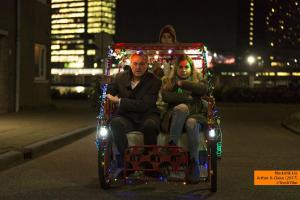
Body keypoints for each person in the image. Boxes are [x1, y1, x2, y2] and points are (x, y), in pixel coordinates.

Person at [107, 52, 162, 166]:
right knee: (115, 123)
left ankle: (149, 163)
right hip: (126, 117)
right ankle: (126, 162)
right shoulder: (120, 77)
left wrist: (119, 101)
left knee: (150, 125)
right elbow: (110, 90)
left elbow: (144, 105)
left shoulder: (154, 81)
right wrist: (107, 94)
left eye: (142, 64)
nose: (138, 67)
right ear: (131, 64)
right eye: (135, 64)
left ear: (147, 65)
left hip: (147, 115)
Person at [161, 55, 208, 183]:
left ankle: (194, 162)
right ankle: (172, 147)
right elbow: (166, 97)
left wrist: (181, 83)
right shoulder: (168, 81)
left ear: (191, 68)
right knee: (181, 108)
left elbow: (203, 89)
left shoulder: (198, 80)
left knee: (192, 122)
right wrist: (188, 97)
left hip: (195, 115)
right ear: (176, 69)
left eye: (186, 67)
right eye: (180, 67)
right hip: (175, 116)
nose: (183, 70)